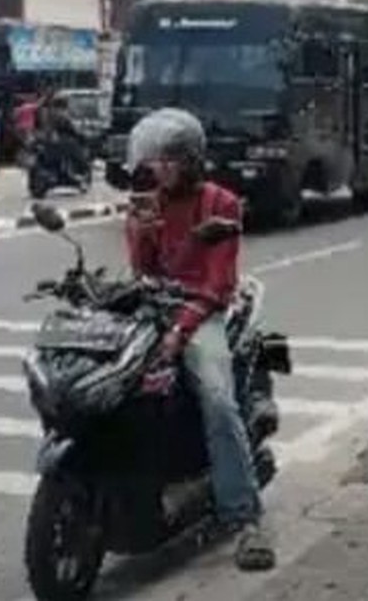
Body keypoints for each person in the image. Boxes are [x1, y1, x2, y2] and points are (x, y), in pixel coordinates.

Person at [123, 108, 275, 572]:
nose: (158, 169)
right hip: (155, 307)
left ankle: (244, 517)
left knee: (218, 399)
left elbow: (217, 285)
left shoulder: (221, 204)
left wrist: (180, 330)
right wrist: (140, 229)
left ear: (190, 160)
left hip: (202, 311)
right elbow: (143, 273)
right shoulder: (149, 201)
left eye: (168, 160)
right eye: (154, 160)